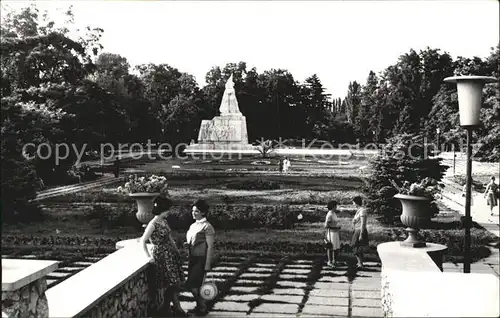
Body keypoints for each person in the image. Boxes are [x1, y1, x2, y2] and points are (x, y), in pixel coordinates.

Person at [140, 196, 187, 317]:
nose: (169, 212)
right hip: (161, 255)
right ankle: (173, 308)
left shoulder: (164, 221)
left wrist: (176, 250)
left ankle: (169, 308)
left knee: (176, 282)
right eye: (167, 210)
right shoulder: (153, 224)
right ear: (162, 210)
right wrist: (148, 256)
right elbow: (143, 241)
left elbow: (169, 237)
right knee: (172, 282)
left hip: (170, 254)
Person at [185, 199, 215, 316]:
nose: (193, 213)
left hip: (201, 259)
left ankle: (202, 306)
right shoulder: (193, 225)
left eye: (196, 211)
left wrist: (207, 264)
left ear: (203, 213)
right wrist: (187, 245)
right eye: (193, 211)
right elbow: (193, 241)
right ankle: (200, 306)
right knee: (193, 285)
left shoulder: (207, 227)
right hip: (192, 258)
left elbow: (210, 247)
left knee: (194, 285)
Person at [351, 196, 368, 269]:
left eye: (353, 202)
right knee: (357, 247)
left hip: (360, 230)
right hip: (356, 230)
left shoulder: (362, 211)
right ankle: (360, 263)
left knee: (355, 246)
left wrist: (361, 234)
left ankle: (360, 263)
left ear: (356, 203)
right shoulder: (359, 210)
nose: (353, 204)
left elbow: (363, 223)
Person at [324, 200, 341, 267]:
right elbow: (326, 225)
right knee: (330, 247)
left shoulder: (333, 213)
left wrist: (337, 227)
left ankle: (334, 261)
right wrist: (335, 228)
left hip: (335, 232)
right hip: (331, 233)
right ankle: (329, 261)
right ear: (333, 206)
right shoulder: (330, 214)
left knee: (336, 247)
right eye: (335, 206)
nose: (336, 207)